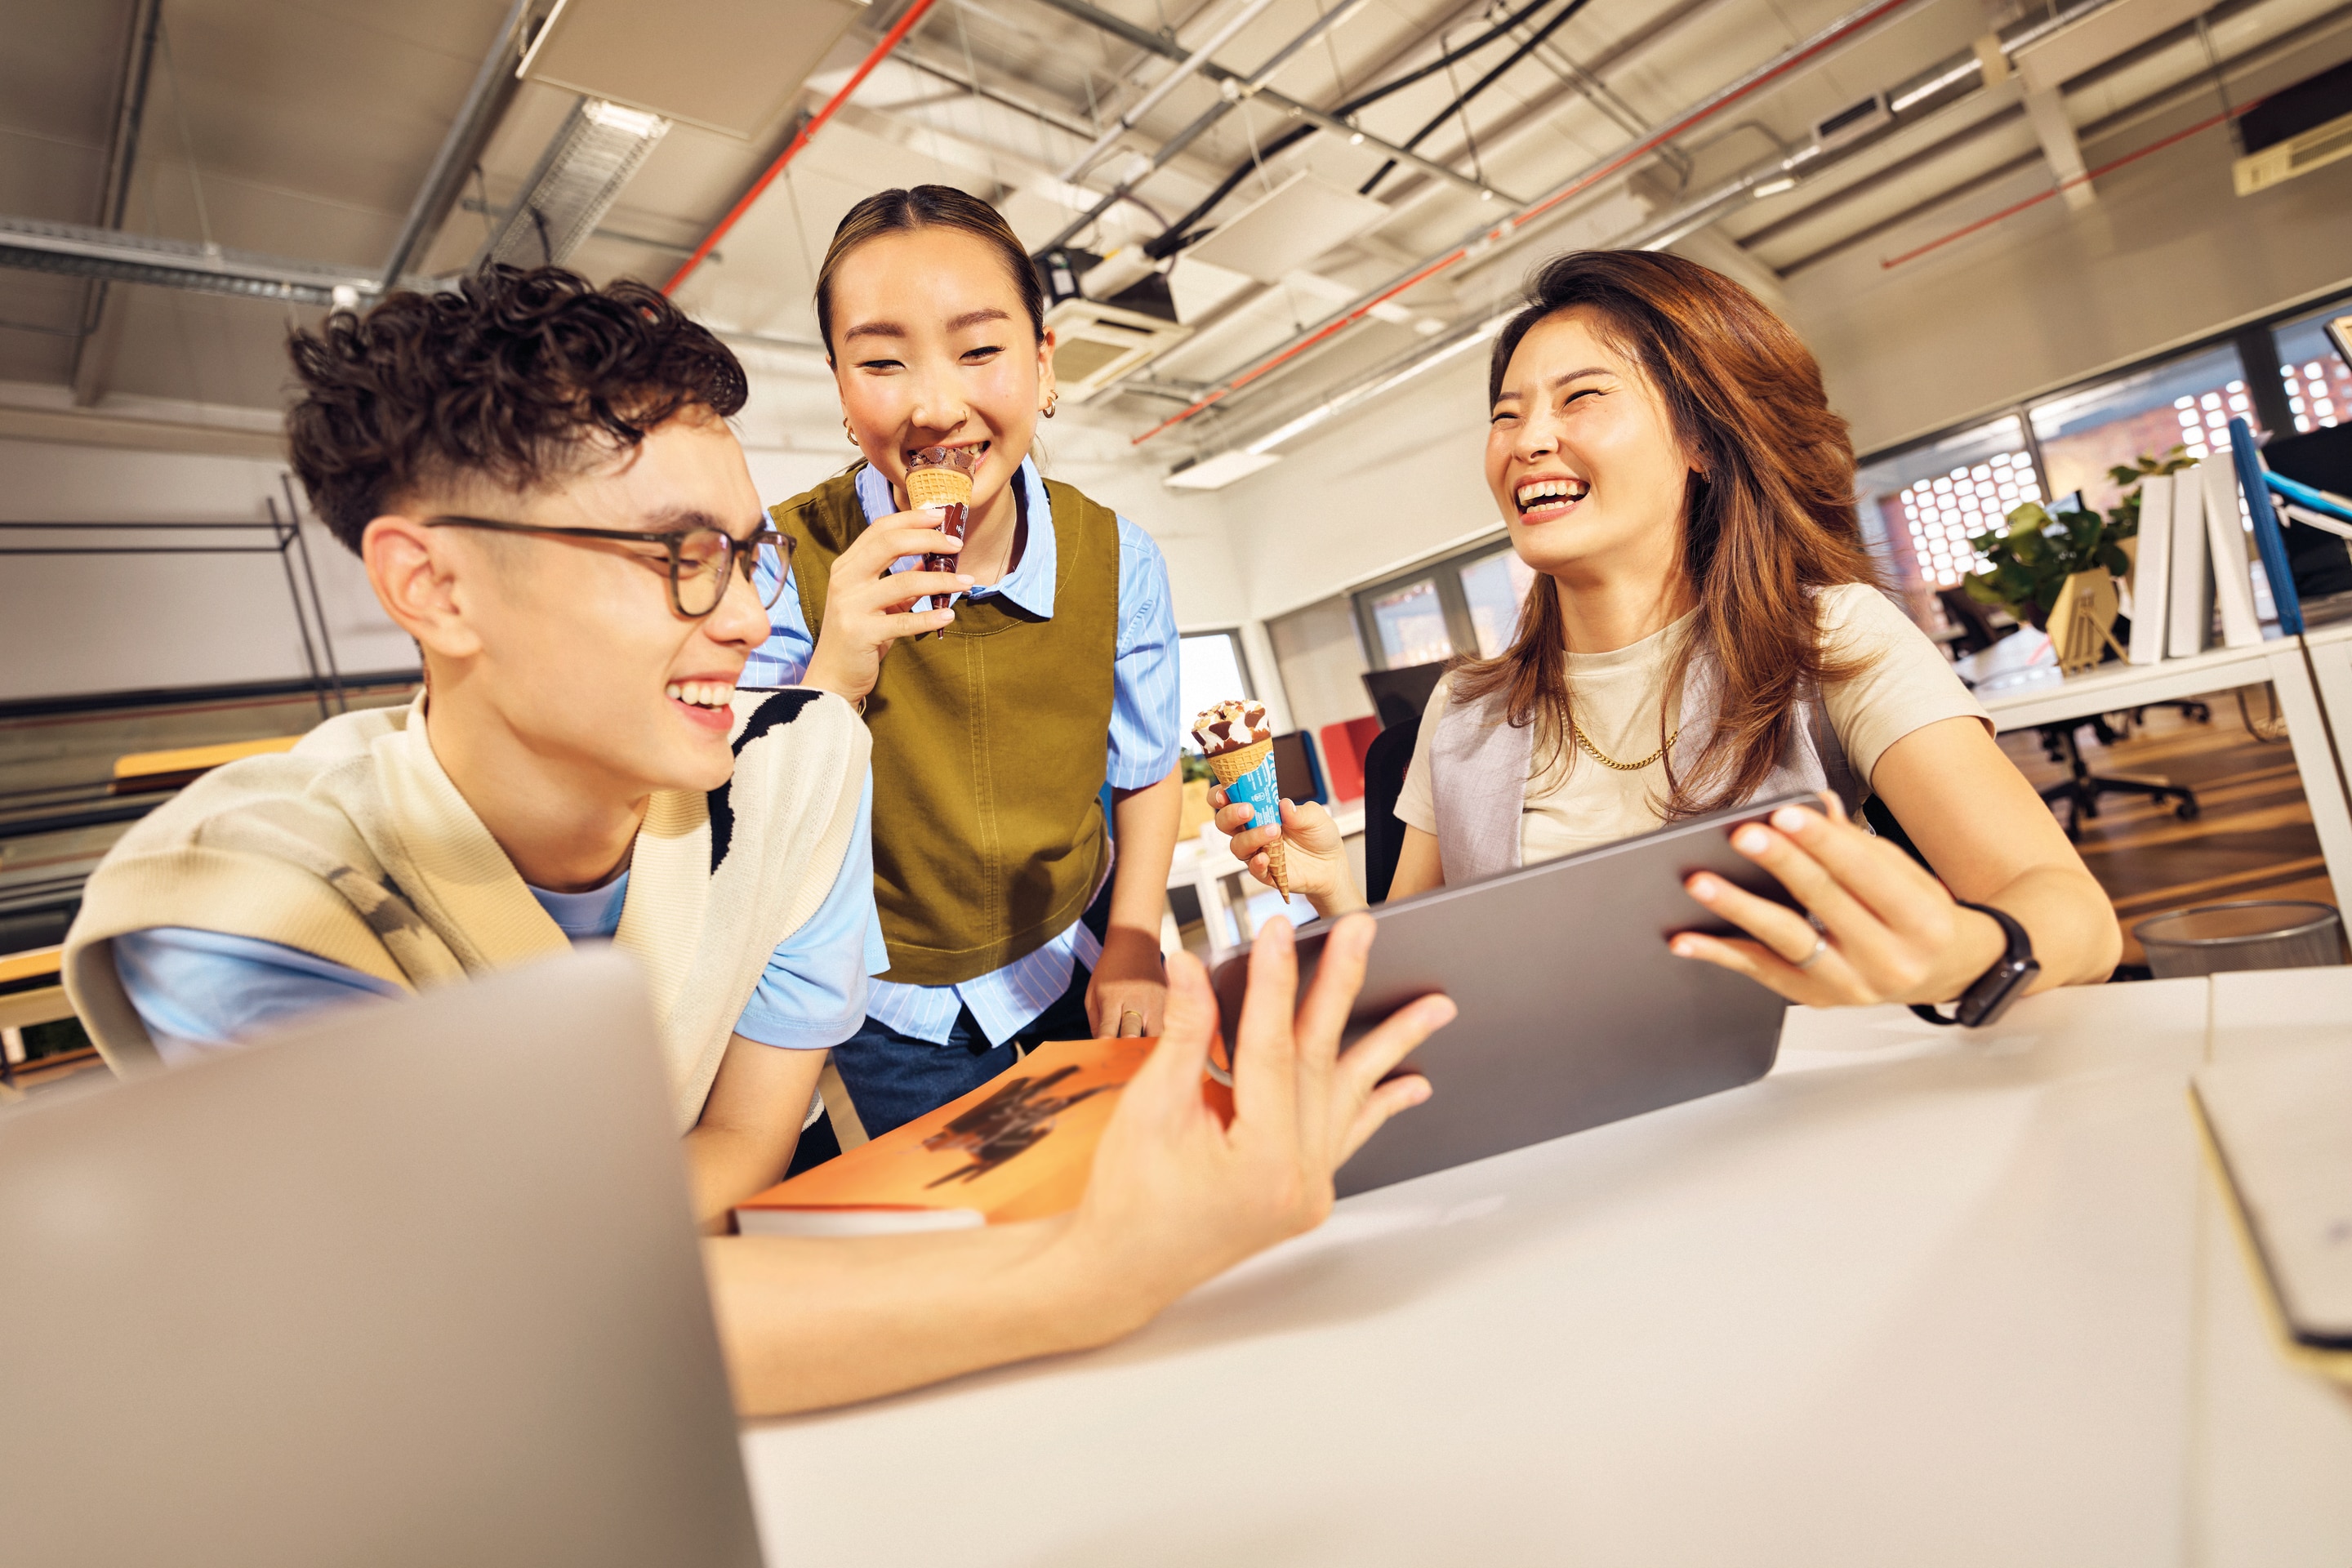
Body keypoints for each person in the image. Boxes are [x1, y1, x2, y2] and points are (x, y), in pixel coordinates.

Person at [58, 263, 1454, 1415]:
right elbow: (497, 1337)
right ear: (435, 585)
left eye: (747, 556)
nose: (739, 620)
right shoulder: (252, 901)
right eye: (678, 557)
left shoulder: (793, 783)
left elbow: (726, 1162)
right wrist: (1097, 1271)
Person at [1217, 250, 2122, 1011]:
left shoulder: (1830, 639)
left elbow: (2077, 919)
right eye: (1507, 413)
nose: (1528, 439)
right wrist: (1333, 891)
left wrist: (1965, 953)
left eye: (1580, 399)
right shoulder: (1464, 711)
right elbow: (1412, 983)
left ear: (1700, 441)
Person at [753, 186, 1183, 1138]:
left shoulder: (1122, 560)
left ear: (1042, 362)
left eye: (980, 349)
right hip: (884, 1006)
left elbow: (1147, 769)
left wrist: (1139, 938)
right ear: (838, 383)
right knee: (977, 1256)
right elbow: (743, 832)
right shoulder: (776, 566)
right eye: (880, 361)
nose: (936, 406)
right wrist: (833, 673)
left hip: (1076, 953)